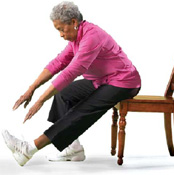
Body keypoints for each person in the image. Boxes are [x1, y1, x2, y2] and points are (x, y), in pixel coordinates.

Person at [2, 1, 141, 166]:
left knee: (82, 110)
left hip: (124, 82)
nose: (60, 34)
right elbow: (58, 63)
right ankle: (73, 149)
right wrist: (31, 89)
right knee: (63, 94)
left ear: (74, 22)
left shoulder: (92, 36)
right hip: (101, 80)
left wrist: (41, 100)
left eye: (61, 29)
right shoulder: (77, 37)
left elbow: (71, 72)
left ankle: (29, 149)